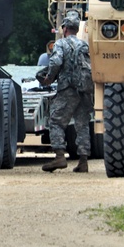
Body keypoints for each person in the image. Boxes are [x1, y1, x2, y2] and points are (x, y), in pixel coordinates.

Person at [37, 14, 93, 173]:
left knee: (55, 120)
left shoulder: (61, 44)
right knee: (82, 124)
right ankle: (83, 161)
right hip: (84, 90)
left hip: (68, 89)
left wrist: (49, 78)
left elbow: (56, 62)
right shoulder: (84, 45)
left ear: (65, 28)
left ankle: (60, 156)